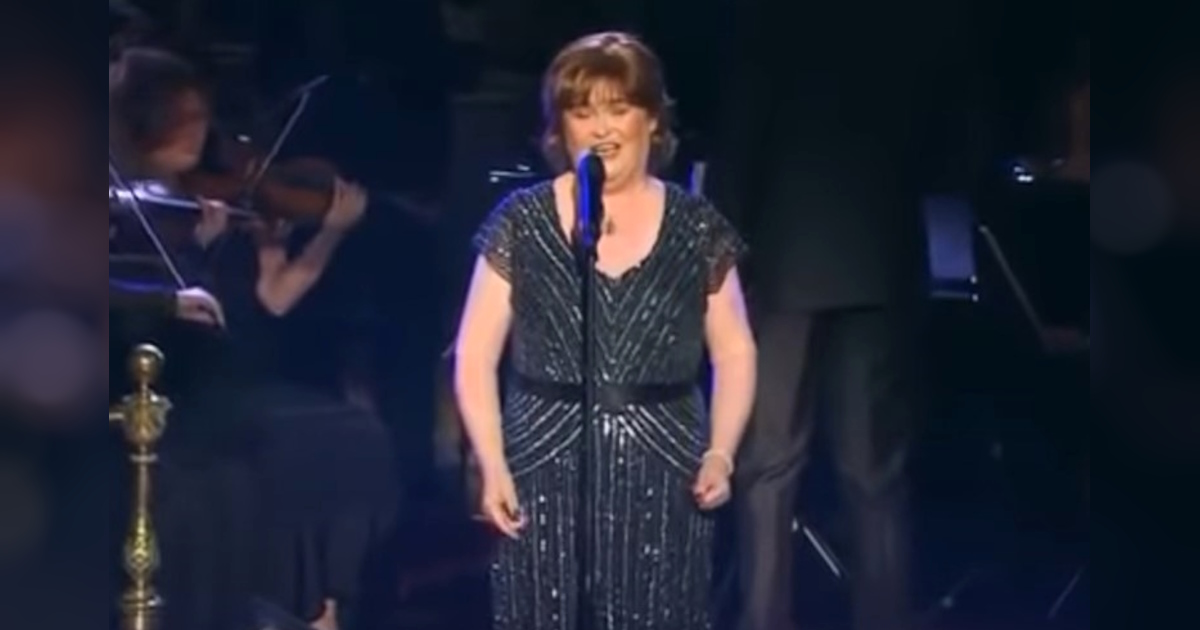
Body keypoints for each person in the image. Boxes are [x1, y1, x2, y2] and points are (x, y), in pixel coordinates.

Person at [452, 32, 756, 630]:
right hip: (542, 464)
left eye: (618, 108)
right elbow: (475, 353)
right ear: (559, 127)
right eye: (581, 111)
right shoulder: (521, 220)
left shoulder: (696, 226)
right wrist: (492, 463)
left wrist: (721, 454)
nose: (600, 128)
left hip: (665, 467)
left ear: (652, 119)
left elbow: (735, 350)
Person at [706, 3, 974, 629]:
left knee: (769, 464)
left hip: (785, 253)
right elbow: (953, 145)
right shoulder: (914, 22)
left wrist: (719, 250)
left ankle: (764, 619)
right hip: (879, 255)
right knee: (874, 470)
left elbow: (742, 135)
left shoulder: (771, 20)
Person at [110, 46, 390, 630]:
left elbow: (273, 297)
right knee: (301, 448)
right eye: (189, 118)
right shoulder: (120, 206)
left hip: (231, 373)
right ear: (149, 121)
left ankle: (322, 606)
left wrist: (326, 233)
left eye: (202, 116)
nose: (204, 130)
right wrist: (189, 264)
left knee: (351, 438)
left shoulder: (207, 199)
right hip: (174, 383)